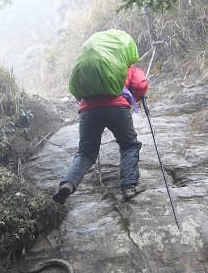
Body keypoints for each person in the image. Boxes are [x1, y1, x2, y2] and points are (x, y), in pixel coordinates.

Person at [52, 29, 149, 205]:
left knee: (86, 152)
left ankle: (68, 183)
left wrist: (88, 103)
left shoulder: (89, 68)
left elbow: (76, 91)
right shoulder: (126, 69)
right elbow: (140, 84)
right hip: (116, 108)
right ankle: (129, 186)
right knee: (129, 145)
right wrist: (134, 100)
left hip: (88, 110)